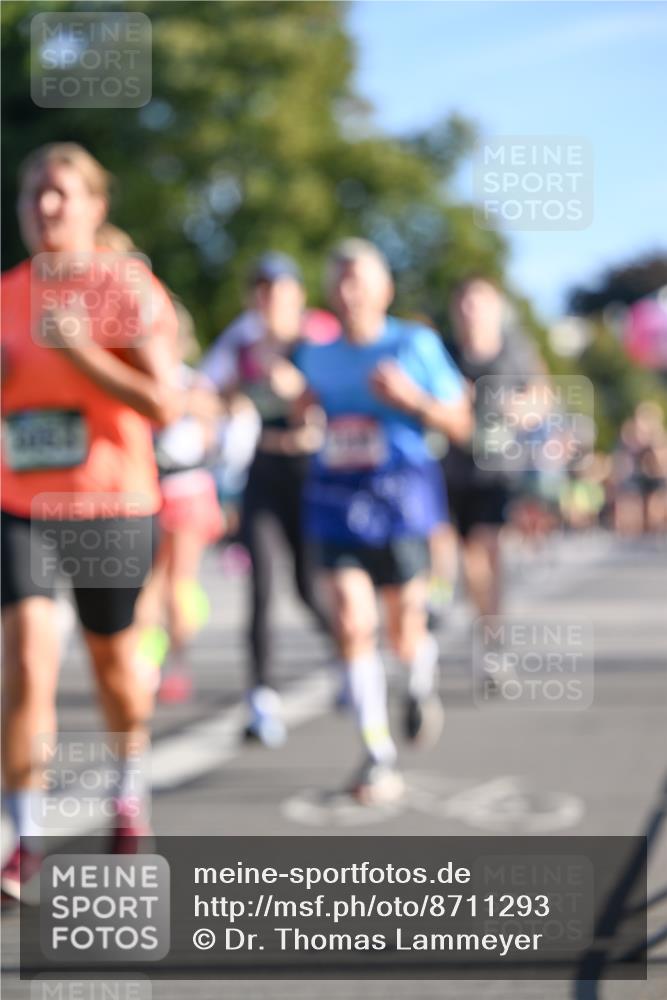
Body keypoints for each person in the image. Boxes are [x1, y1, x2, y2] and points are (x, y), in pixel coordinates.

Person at [1, 143, 181, 900]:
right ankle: (24, 835)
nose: (47, 207)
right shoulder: (6, 293)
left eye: (62, 195)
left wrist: (81, 351)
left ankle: (129, 788)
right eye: (34, 193)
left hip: (111, 504)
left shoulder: (125, 288)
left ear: (94, 207)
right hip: (22, 505)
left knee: (115, 674)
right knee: (28, 664)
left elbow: (164, 402)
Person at [294, 239, 472, 804]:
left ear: (385, 289)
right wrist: (300, 409)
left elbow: (462, 424)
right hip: (337, 497)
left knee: (403, 631)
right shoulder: (316, 354)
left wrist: (412, 398)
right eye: (340, 280)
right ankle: (377, 753)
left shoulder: (413, 343)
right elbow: (302, 410)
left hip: (400, 500)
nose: (349, 292)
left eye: (360, 280)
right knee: (350, 619)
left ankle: (419, 680)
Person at [200, 253, 334, 746]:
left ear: (297, 295)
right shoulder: (244, 346)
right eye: (261, 292)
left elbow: (331, 404)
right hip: (263, 473)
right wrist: (221, 405)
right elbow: (213, 392)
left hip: (310, 477)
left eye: (278, 290)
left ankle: (347, 651)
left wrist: (300, 392)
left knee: (306, 587)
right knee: (260, 587)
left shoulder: (317, 338)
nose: (269, 301)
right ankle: (260, 698)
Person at [134, 297, 225, 704]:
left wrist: (179, 404)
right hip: (149, 491)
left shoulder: (193, 383)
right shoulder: (137, 380)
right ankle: (148, 662)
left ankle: (178, 664)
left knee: (177, 585)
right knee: (147, 586)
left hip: (187, 491)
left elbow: (210, 430)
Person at [443, 276, 545, 625]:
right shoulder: (444, 352)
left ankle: (490, 634)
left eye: (479, 303)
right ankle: (443, 604)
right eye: (464, 303)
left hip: (496, 470)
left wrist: (519, 408)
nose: (471, 311)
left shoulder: (515, 350)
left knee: (486, 550)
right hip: (449, 467)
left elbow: (542, 398)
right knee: (460, 553)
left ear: (496, 309)